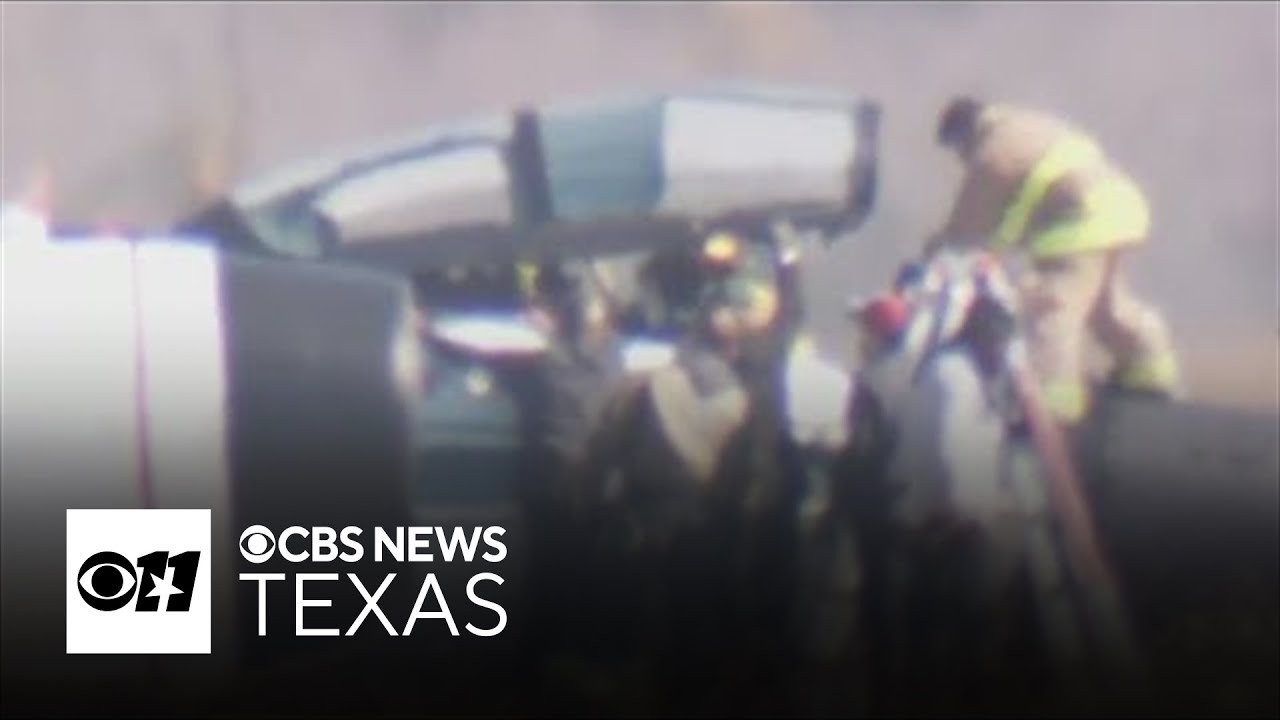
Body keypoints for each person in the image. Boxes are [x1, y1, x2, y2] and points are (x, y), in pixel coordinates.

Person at [923, 96, 1182, 425]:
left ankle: (1054, 405)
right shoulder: (1029, 127)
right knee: (1108, 307)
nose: (959, 157)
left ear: (962, 133)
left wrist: (934, 253)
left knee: (1053, 309)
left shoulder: (994, 152)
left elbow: (970, 224)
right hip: (1120, 210)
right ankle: (1150, 370)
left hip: (1082, 223)